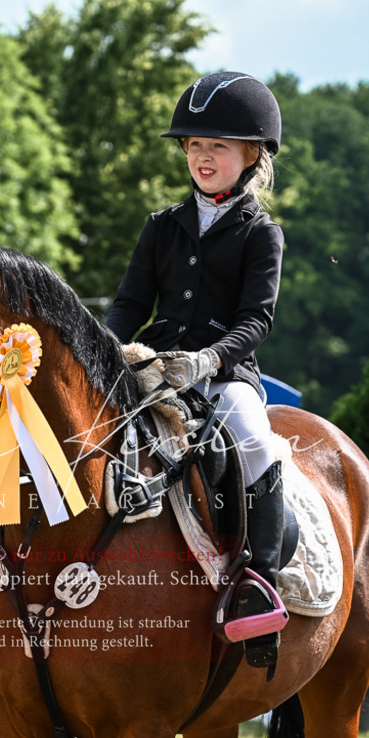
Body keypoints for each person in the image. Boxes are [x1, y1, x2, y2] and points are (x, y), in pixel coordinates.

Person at [105, 71, 286, 670]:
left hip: (224, 371)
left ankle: (259, 585)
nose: (202, 157)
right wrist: (103, 349)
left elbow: (256, 320)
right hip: (154, 363)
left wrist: (209, 359)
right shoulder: (162, 224)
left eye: (218, 147)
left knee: (255, 442)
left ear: (251, 155)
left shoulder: (262, 234)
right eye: (194, 146)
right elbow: (132, 304)